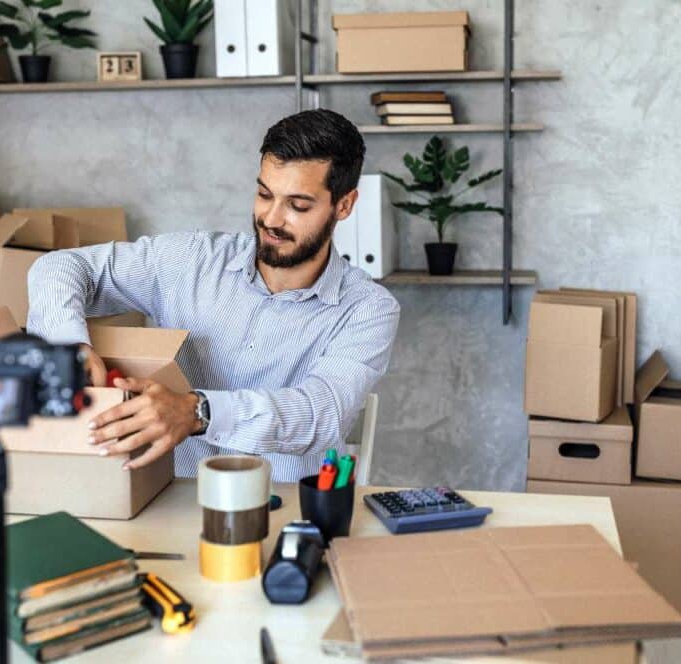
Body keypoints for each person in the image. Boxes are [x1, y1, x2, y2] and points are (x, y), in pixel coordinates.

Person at [26, 109, 400, 482]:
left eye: (298, 206)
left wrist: (197, 411)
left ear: (344, 205)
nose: (271, 218)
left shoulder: (367, 309)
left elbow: (322, 413)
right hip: (163, 500)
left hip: (280, 510)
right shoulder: (192, 260)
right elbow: (58, 268)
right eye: (264, 194)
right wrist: (67, 344)